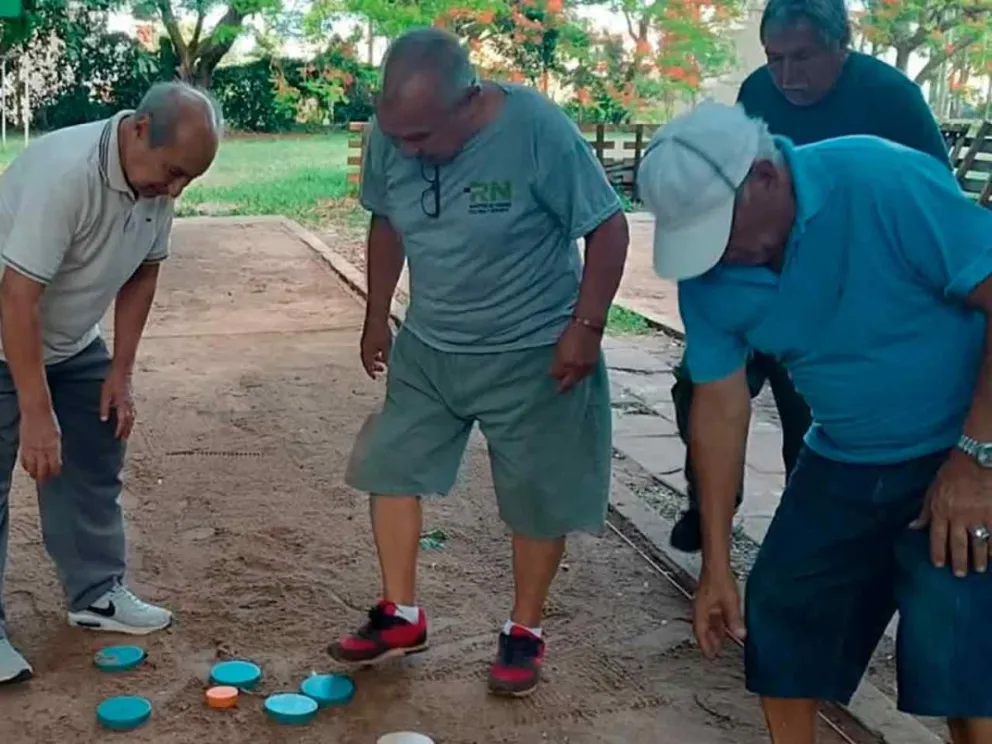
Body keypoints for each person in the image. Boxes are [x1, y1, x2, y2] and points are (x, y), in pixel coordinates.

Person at [638, 100, 992, 744]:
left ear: (767, 177)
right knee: (781, 612)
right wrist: (716, 562)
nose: (713, 258)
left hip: (958, 444)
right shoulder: (711, 274)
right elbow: (719, 407)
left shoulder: (879, 181)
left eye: (720, 232)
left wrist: (974, 459)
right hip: (846, 451)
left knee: (958, 636)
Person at [330, 27, 629, 698]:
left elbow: (607, 225)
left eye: (421, 139)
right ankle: (399, 614)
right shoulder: (394, 132)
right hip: (433, 346)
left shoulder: (536, 130)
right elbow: (386, 221)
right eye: (395, 135)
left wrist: (586, 327)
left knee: (537, 498)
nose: (405, 151)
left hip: (534, 352)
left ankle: (524, 632)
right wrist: (377, 314)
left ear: (467, 103)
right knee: (390, 464)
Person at [667, 0, 950, 553]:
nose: (788, 77)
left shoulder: (891, 98)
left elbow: (930, 195)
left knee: (809, 412)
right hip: (757, 275)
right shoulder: (757, 92)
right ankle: (710, 504)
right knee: (698, 384)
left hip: (841, 290)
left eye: (803, 57)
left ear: (842, 45)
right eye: (775, 59)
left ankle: (813, 522)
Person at [0, 82, 222, 684]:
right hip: (5, 329)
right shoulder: (65, 174)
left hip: (70, 341)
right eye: (174, 173)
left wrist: (120, 371)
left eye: (189, 181)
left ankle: (95, 594)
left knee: (97, 452)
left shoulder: (156, 179)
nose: (174, 191)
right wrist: (36, 411)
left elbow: (143, 274)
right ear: (140, 129)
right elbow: (16, 299)